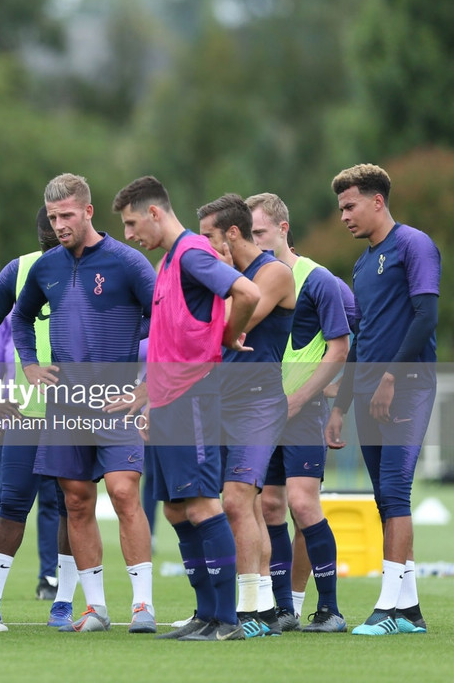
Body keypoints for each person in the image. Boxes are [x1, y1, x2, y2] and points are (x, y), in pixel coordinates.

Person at [4, 174, 157, 635]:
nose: (60, 224)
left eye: (67, 215)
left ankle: (143, 606)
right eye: (53, 217)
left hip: (116, 401)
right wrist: (29, 364)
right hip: (65, 403)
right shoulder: (45, 267)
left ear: (88, 212)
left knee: (126, 493)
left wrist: (151, 385)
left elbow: (168, 319)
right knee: (75, 501)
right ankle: (95, 608)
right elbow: (20, 318)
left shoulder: (128, 263)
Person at [112, 176, 260, 641]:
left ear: (155, 213)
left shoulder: (193, 253)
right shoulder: (168, 263)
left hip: (193, 397)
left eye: (133, 223)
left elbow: (248, 294)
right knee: (176, 508)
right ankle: (204, 613)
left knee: (200, 503)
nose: (130, 234)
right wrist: (144, 395)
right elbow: (167, 340)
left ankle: (226, 621)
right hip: (167, 402)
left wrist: (227, 335)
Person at [326, 164, 440, 636]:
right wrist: (339, 408)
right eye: (340, 209)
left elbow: (426, 315)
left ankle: (389, 610)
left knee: (395, 492)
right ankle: (409, 609)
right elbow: (363, 336)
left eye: (350, 206)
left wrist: (392, 376)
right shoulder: (360, 264)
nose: (344, 216)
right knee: (383, 499)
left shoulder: (414, 245)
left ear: (377, 201)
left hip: (407, 383)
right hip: (370, 389)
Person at [246, 192, 352, 633]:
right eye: (248, 234)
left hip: (301, 411)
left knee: (303, 504)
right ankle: (283, 608)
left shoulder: (317, 280)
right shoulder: (250, 281)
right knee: (269, 506)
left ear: (283, 229)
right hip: (261, 414)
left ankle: (329, 609)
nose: (254, 242)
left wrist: (303, 398)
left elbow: (340, 347)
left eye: (260, 233)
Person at [197, 193, 296, 639]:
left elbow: (230, 329)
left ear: (231, 234)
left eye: (207, 237)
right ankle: (261, 608)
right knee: (243, 504)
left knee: (237, 500)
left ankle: (249, 613)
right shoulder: (226, 275)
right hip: (221, 401)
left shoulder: (273, 273)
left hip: (258, 402)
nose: (201, 246)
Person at [0, 206, 71, 626]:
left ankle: (64, 602)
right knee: (13, 502)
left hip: (79, 412)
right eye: (51, 225)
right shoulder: (19, 271)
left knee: (74, 505)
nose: (58, 231)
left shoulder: (101, 268)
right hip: (26, 414)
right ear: (42, 231)